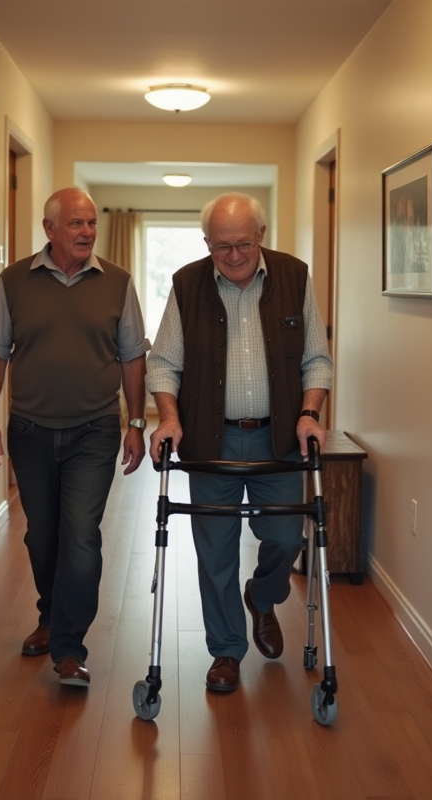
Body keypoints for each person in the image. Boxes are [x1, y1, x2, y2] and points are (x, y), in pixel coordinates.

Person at [146, 192, 333, 692]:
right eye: (221, 246)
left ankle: (262, 596)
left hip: (278, 439)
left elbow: (316, 358)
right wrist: (168, 418)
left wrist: (310, 413)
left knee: (286, 537)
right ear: (207, 242)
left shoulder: (293, 278)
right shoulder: (187, 284)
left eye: (242, 244)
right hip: (211, 441)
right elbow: (164, 362)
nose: (233, 256)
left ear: (262, 237)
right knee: (215, 552)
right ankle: (226, 651)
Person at [0, 187, 149, 688]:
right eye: (76, 223)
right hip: (29, 429)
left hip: (94, 429)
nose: (88, 232)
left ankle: (69, 649)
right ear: (49, 228)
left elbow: (133, 356)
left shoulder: (117, 282)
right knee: (41, 534)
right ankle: (50, 617)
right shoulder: (14, 282)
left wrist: (136, 423)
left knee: (80, 536)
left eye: (92, 223)